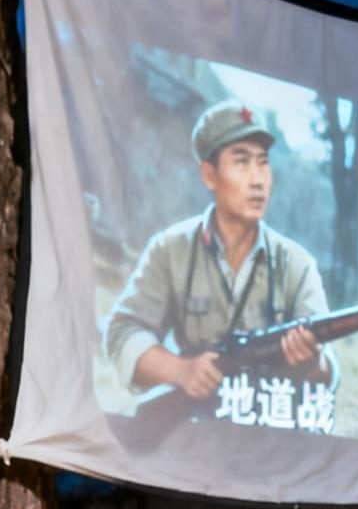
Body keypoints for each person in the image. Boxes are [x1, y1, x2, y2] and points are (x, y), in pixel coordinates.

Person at [104, 99, 337, 411]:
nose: (258, 180)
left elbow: (327, 371)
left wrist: (312, 363)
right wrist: (181, 371)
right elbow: (122, 331)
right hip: (192, 426)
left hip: (272, 431)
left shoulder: (298, 265)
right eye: (242, 162)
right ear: (209, 175)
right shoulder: (171, 250)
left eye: (263, 162)